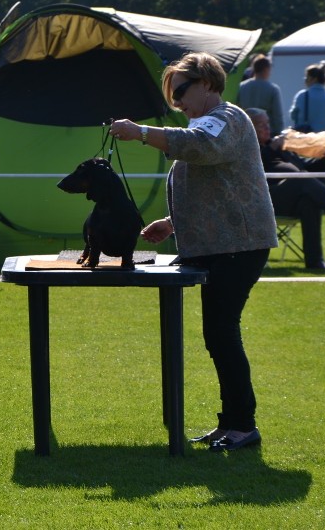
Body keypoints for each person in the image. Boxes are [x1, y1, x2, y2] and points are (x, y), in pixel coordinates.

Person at [109, 52, 276, 452]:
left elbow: (201, 149)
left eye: (181, 91)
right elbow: (213, 182)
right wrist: (173, 222)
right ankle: (232, 424)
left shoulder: (226, 119)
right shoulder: (206, 121)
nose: (177, 102)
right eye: (172, 96)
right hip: (223, 245)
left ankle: (243, 426)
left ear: (207, 83)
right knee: (218, 336)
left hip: (238, 245)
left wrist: (142, 132)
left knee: (221, 334)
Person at [247, 108, 325, 271]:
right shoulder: (248, 147)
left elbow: (305, 167)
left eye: (268, 123)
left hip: (290, 195)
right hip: (265, 200)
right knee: (301, 180)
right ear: (249, 126)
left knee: (309, 200)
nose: (267, 127)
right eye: (261, 124)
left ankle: (315, 261)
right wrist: (272, 148)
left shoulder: (279, 145)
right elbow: (255, 165)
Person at [289, 60, 325, 189]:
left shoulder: (302, 95)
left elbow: (294, 117)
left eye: (306, 77)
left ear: (313, 78)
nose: (305, 80)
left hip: (308, 147)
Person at [237, 54, 284, 136]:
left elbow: (237, 110)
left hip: (246, 132)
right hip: (266, 134)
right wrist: (279, 134)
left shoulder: (241, 87)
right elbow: (277, 116)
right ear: (266, 69)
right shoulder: (273, 89)